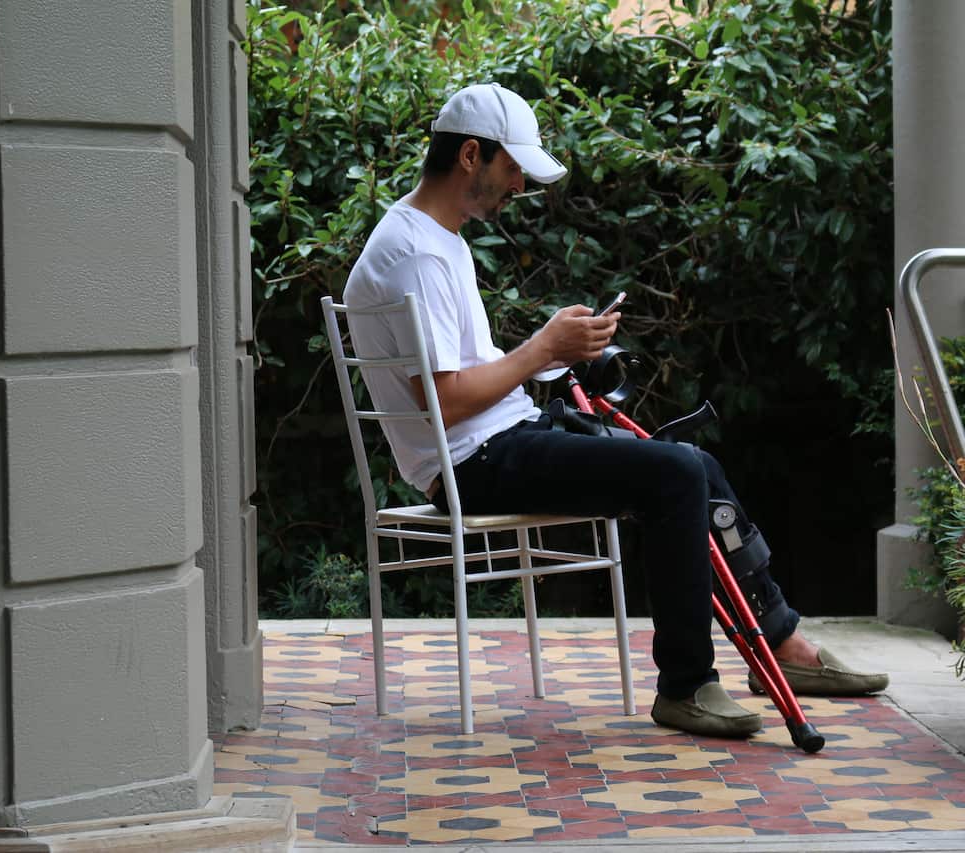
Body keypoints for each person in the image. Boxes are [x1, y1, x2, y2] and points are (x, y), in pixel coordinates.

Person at [341, 83, 887, 739]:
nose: (520, 185)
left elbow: (471, 372)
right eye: (513, 168)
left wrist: (559, 352)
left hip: (500, 439)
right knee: (675, 475)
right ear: (469, 156)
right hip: (472, 462)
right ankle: (686, 686)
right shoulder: (417, 255)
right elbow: (447, 402)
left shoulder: (437, 237)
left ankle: (783, 643)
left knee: (697, 463)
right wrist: (543, 344)